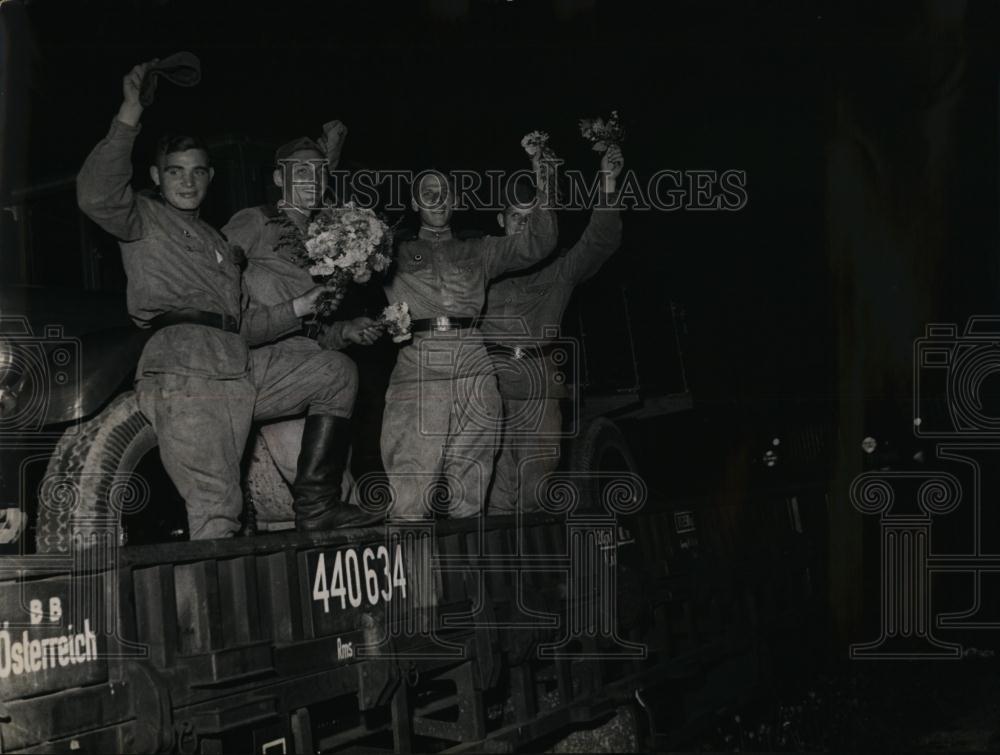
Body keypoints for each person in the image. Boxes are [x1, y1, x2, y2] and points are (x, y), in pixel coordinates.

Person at [76, 60, 361, 537]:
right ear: (157, 176)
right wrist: (129, 112)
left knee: (334, 372)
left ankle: (317, 505)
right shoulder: (144, 218)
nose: (187, 182)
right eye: (175, 172)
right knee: (218, 509)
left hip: (238, 363)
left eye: (197, 173)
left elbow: (245, 324)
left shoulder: (218, 245)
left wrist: (301, 307)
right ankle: (203, 610)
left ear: (210, 178)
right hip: (188, 368)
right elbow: (97, 194)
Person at [380, 154, 558, 520]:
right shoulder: (390, 251)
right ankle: (412, 571)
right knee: (411, 485)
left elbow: (539, 242)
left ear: (455, 201)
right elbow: (345, 263)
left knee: (472, 482)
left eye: (444, 192)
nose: (437, 198)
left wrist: (544, 180)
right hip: (419, 363)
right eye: (427, 192)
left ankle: (469, 573)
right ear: (415, 203)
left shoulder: (481, 249)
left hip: (473, 362)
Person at [222, 130, 383, 527]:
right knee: (312, 494)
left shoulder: (325, 239)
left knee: (334, 491)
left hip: (311, 372)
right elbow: (214, 273)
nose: (313, 178)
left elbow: (316, 327)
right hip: (267, 364)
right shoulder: (256, 221)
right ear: (279, 179)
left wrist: (346, 331)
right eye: (301, 170)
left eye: (320, 170)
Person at [483, 145, 625, 513]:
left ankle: (536, 566)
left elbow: (600, 241)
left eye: (531, 218)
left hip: (539, 385)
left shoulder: (559, 270)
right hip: (490, 384)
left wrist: (608, 181)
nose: (523, 224)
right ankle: (499, 568)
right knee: (492, 492)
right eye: (516, 216)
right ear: (501, 220)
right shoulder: (481, 268)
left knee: (535, 490)